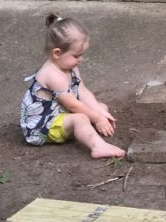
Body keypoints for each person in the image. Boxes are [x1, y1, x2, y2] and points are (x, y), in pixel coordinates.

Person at [20, 14, 125, 159]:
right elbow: (73, 105)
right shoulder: (52, 75)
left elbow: (83, 91)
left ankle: (84, 132)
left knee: (101, 107)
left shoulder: (70, 67)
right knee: (81, 118)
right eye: (76, 56)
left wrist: (100, 113)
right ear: (57, 53)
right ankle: (98, 147)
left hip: (61, 114)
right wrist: (97, 119)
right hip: (44, 126)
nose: (81, 59)